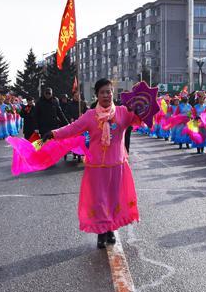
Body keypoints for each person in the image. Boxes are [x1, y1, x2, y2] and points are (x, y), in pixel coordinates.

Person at [42, 79, 141, 249]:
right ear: (97, 95)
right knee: (99, 200)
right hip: (96, 167)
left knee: (113, 199)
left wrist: (139, 109)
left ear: (112, 93)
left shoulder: (123, 112)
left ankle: (110, 229)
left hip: (117, 165)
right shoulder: (90, 115)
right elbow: (72, 128)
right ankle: (101, 233)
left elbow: (139, 119)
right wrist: (53, 133)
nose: (106, 95)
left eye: (109, 92)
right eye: (102, 92)